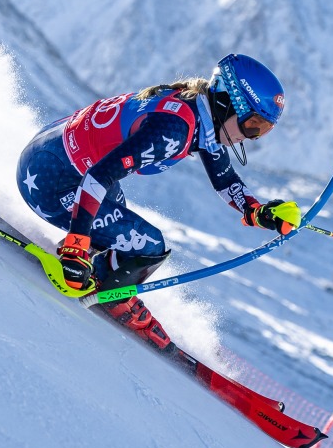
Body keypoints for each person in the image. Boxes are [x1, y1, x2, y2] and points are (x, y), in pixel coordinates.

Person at [16, 54, 301, 352]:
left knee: (122, 230)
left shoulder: (198, 113)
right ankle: (109, 292)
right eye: (253, 124)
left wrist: (257, 211)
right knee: (149, 246)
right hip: (49, 180)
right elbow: (98, 177)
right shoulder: (173, 130)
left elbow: (225, 179)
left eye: (263, 130)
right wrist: (77, 243)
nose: (252, 137)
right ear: (227, 102)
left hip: (49, 155)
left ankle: (87, 258)